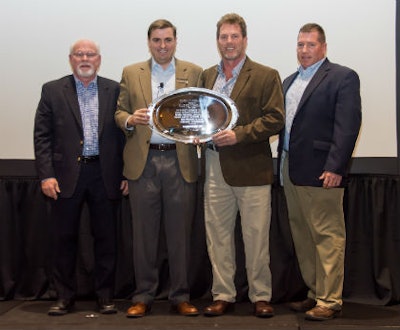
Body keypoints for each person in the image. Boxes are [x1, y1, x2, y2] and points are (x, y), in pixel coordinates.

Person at [114, 19, 202, 317]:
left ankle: (180, 296)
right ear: (149, 42)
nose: (162, 46)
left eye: (167, 40)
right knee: (144, 235)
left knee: (180, 235)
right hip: (144, 162)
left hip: (181, 162)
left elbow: (203, 113)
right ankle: (143, 296)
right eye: (156, 40)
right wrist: (129, 119)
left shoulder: (194, 72)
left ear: (176, 41)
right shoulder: (131, 72)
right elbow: (118, 112)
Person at [34, 39, 128, 315]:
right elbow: (42, 136)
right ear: (70, 59)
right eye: (79, 54)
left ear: (99, 60)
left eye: (90, 54)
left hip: (105, 173)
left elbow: (124, 135)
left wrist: (125, 172)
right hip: (65, 176)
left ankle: (105, 296)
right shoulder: (52, 90)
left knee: (106, 239)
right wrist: (46, 175)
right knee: (64, 239)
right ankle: (64, 296)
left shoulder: (114, 89)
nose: (85, 58)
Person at [201, 13, 285, 318]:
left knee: (256, 237)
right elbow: (199, 116)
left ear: (245, 40)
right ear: (218, 41)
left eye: (234, 36)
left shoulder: (265, 74)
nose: (229, 42)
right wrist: (196, 134)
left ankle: (260, 295)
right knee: (218, 236)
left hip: (251, 168)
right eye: (224, 37)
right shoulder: (207, 76)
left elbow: (275, 119)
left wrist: (239, 135)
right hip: (213, 166)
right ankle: (223, 294)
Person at [278, 23, 362, 321]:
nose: (304, 50)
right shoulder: (288, 81)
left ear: (323, 48)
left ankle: (330, 300)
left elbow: (348, 126)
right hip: (291, 168)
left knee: (327, 235)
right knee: (302, 234)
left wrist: (335, 167)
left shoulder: (342, 77)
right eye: (300, 44)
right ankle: (315, 292)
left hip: (322, 172)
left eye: (310, 45)